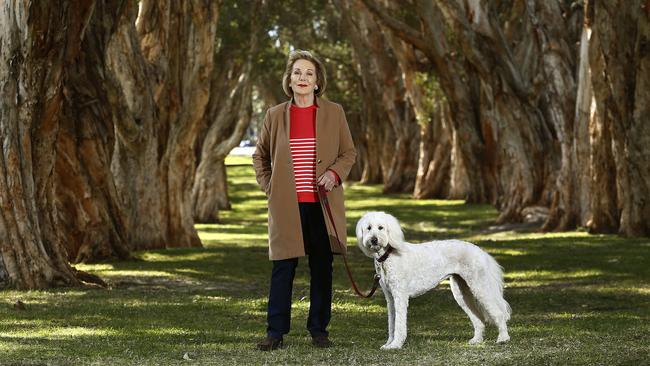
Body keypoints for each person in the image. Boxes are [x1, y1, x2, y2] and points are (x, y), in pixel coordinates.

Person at [252, 50, 357, 351]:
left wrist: (334, 174)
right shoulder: (274, 115)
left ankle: (319, 330)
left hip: (321, 204)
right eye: (297, 72)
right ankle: (275, 333)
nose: (302, 78)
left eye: (309, 73)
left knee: (322, 266)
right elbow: (260, 156)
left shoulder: (334, 112)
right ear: (289, 79)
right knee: (283, 267)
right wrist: (269, 186)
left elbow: (348, 152)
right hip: (286, 204)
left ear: (317, 81)